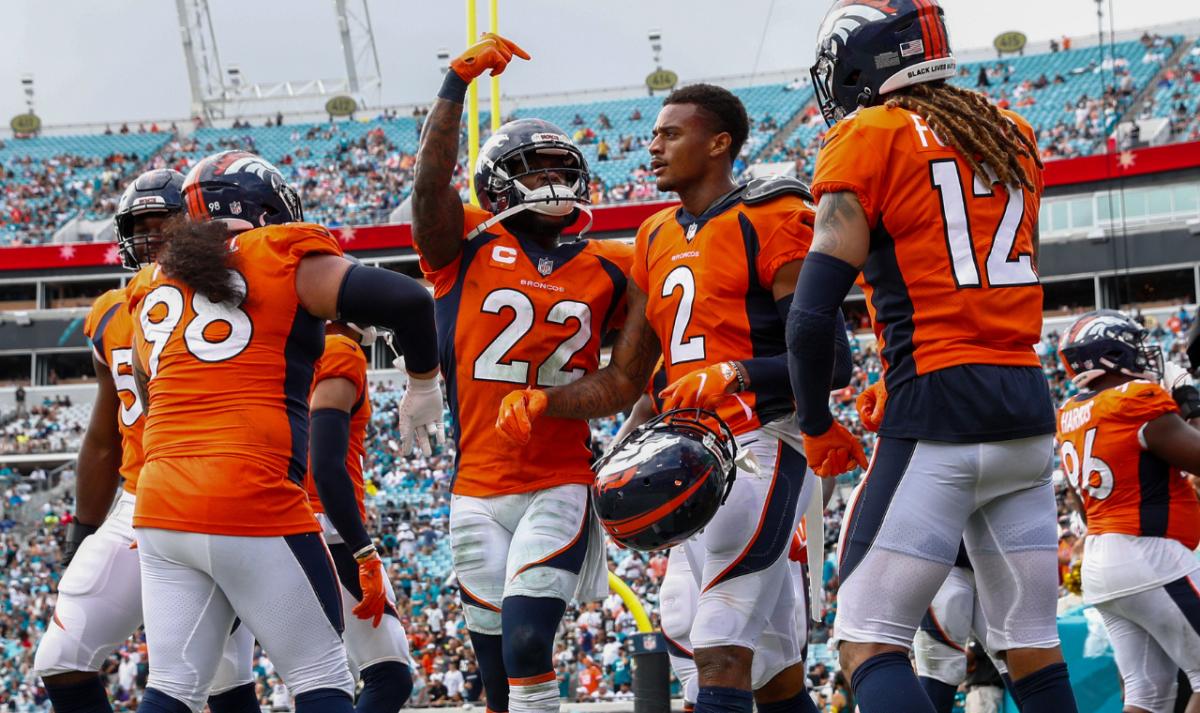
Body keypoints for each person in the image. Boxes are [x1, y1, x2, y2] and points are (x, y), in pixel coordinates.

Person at [498, 82, 853, 713]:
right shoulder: (656, 233)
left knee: (717, 634)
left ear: (719, 144)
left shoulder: (773, 216)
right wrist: (547, 404)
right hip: (686, 448)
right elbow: (629, 378)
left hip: (762, 440)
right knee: (726, 646)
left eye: (671, 134)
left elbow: (833, 359)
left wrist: (737, 375)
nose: (653, 145)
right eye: (655, 133)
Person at [788, 2, 1076, 711]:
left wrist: (816, 420)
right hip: (1024, 406)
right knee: (1032, 644)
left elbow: (812, 311)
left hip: (939, 407)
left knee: (866, 640)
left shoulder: (871, 133)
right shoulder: (1011, 129)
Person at [126, 150, 443, 713]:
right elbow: (408, 300)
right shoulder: (275, 253)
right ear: (268, 210)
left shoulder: (151, 283)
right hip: (249, 496)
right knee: (322, 674)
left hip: (159, 506)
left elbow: (153, 394)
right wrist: (422, 381)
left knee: (172, 689)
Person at [411, 33, 630, 713]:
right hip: (475, 488)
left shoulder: (615, 264)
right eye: (535, 169)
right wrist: (454, 86)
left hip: (558, 480)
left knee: (530, 642)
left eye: (561, 166)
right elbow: (428, 186)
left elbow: (628, 377)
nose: (553, 180)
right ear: (499, 179)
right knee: (497, 677)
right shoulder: (466, 243)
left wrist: (556, 403)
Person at [33, 169, 257, 713]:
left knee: (224, 682)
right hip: (140, 497)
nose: (153, 236)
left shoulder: (238, 293)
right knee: (61, 659)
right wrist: (82, 529)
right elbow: (104, 434)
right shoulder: (113, 309)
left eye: (165, 222)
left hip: (218, 496)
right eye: (142, 226)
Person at [1057, 310, 1200, 713]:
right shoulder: (1134, 400)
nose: (1144, 357)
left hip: (1103, 560)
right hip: (1148, 554)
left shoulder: (1069, 411)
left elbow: (1082, 507)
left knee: (1146, 694)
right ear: (1109, 355)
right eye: (1134, 348)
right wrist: (1189, 399)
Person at [302, 316, 413, 713]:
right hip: (326, 526)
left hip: (271, 522)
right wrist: (362, 549)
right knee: (388, 674)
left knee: (223, 684)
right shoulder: (338, 349)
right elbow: (327, 467)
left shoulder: (283, 353)